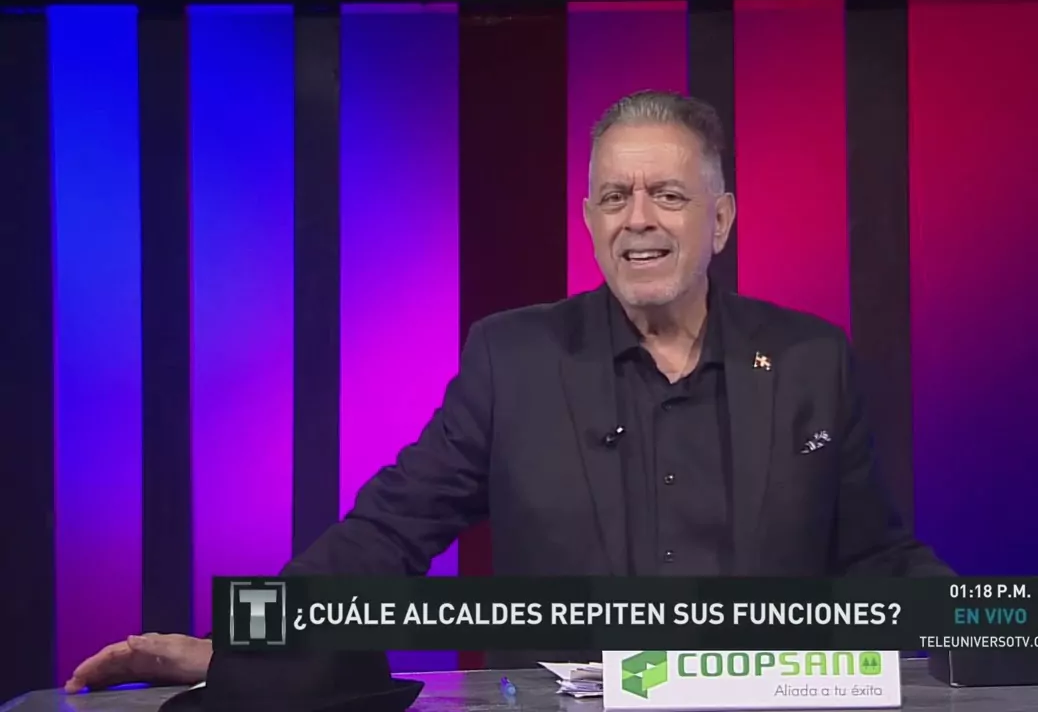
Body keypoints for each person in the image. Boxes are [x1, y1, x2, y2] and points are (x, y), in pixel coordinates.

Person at [66, 90, 951, 693]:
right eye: (614, 196)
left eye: (668, 195)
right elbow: (390, 530)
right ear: (591, 221)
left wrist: (989, 628)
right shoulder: (515, 358)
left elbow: (876, 556)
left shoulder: (809, 360)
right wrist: (241, 647)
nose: (638, 218)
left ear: (719, 219)